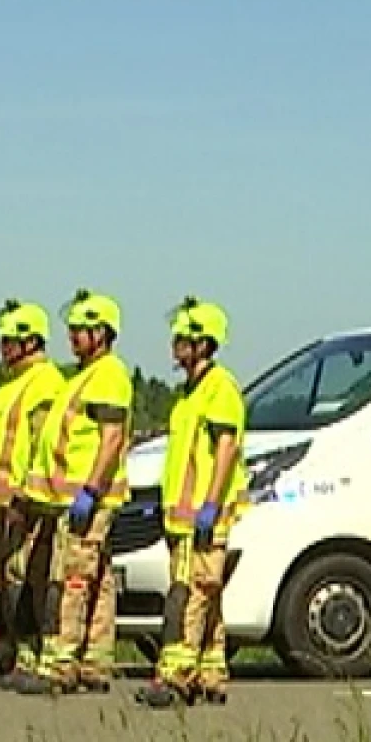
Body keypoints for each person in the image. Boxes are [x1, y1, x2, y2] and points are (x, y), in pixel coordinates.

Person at [16, 290, 134, 696]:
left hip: (88, 497)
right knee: (97, 578)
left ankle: (62, 662)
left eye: (80, 330)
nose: (72, 336)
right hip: (75, 496)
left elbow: (112, 437)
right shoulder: (83, 377)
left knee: (72, 578)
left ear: (101, 333)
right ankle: (95, 661)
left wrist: (91, 490)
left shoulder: (109, 375)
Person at [139, 297, 247, 709]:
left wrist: (211, 504)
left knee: (189, 593)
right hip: (182, 516)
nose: (174, 344)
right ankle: (212, 671)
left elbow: (225, 448)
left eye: (182, 338)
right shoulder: (189, 394)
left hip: (203, 514)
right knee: (208, 592)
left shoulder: (220, 389)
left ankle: (176, 674)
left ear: (203, 343)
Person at [0, 300, 67, 684]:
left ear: (31, 342)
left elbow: (44, 447)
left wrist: (28, 496)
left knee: (25, 580)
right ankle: (6, 655)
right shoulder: (5, 391)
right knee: (1, 581)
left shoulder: (47, 384)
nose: (2, 347)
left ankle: (28, 654)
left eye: (9, 340)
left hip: (23, 503)